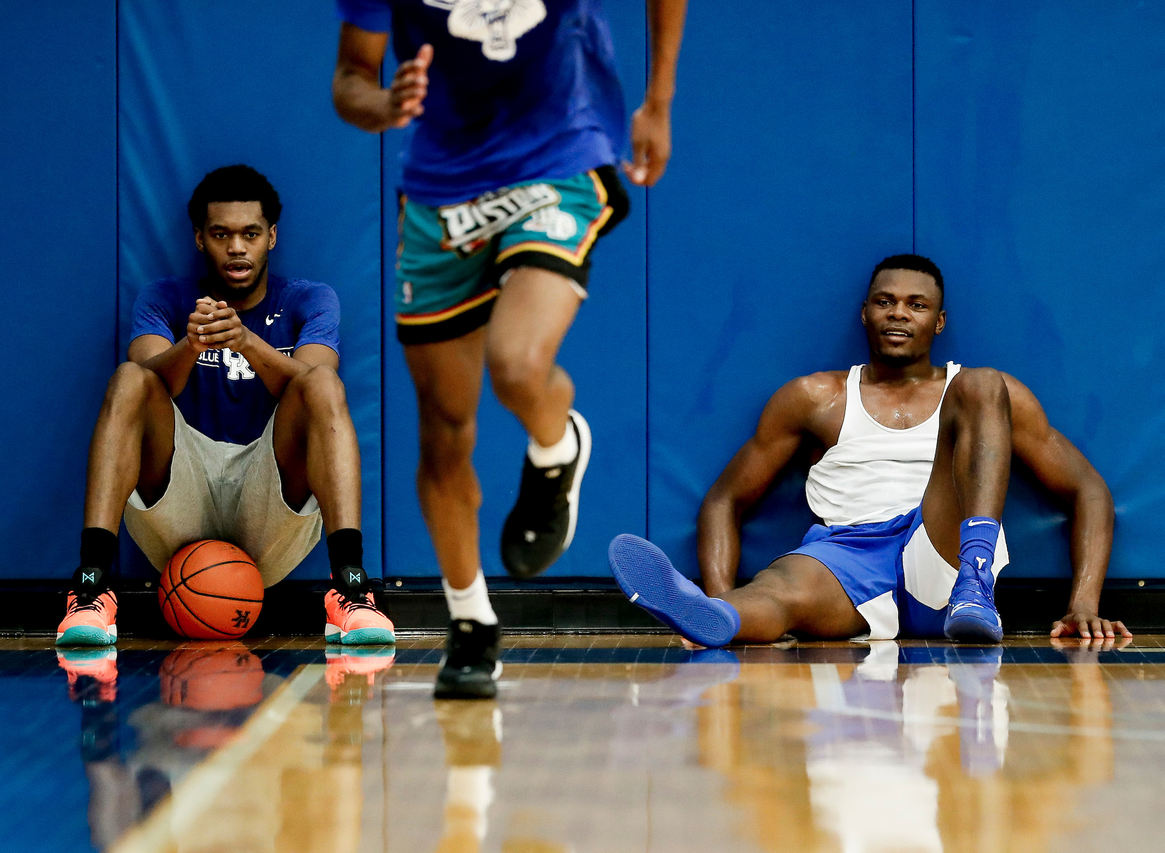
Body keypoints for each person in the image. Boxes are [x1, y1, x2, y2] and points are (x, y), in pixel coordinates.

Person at [331, 0, 688, 697]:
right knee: (443, 433)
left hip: (557, 156)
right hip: (442, 194)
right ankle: (471, 619)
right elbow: (350, 75)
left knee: (517, 364)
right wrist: (383, 104)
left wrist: (658, 100)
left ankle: (558, 446)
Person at [610, 254, 1131, 646]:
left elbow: (1087, 489)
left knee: (982, 383)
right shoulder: (815, 397)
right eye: (885, 301)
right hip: (846, 555)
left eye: (916, 304)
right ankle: (718, 616)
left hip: (942, 552)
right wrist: (721, 587)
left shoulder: (985, 396)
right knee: (779, 590)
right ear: (864, 313)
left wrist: (1084, 602)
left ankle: (975, 587)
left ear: (939, 321)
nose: (898, 314)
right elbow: (726, 499)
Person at [55, 164, 394, 648]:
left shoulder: (310, 299)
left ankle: (353, 592)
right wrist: (192, 343)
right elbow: (144, 375)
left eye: (250, 234)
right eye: (221, 234)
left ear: (271, 237)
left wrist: (246, 341)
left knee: (320, 387)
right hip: (180, 493)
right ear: (199, 238)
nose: (237, 247)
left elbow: (319, 378)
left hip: (269, 496)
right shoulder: (167, 298)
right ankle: (91, 588)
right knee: (130, 379)